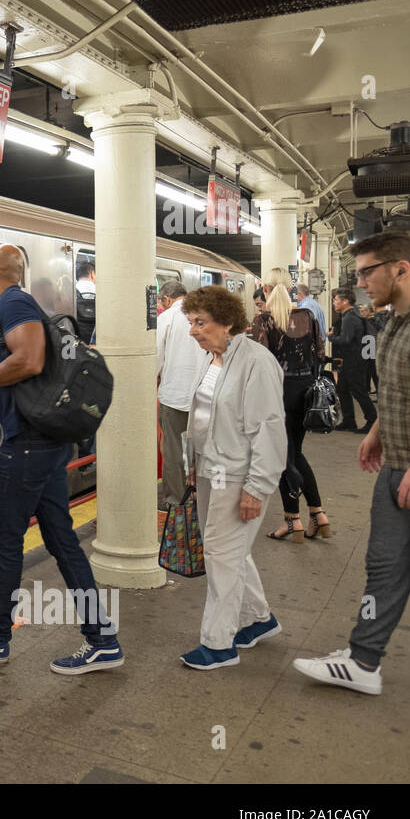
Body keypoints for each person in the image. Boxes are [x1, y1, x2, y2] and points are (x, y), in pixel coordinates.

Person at [0, 245, 123, 674]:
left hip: (28, 447)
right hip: (41, 441)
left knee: (6, 540)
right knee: (62, 540)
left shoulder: (12, 303)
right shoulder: (14, 305)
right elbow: (35, 382)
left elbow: (29, 360)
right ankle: (102, 638)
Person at [293, 230, 410, 696]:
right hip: (395, 469)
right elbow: (402, 390)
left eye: (368, 271)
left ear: (400, 269)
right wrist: (376, 432)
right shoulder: (395, 321)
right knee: (383, 567)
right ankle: (364, 661)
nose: (361, 282)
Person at [179, 286, 286, 670]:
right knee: (229, 550)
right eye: (191, 322)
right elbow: (204, 417)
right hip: (210, 470)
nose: (193, 330)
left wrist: (257, 487)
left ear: (227, 322)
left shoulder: (256, 362)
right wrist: (191, 462)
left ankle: (219, 644)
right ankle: (259, 619)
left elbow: (269, 427)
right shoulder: (214, 360)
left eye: (200, 322)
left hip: (237, 475)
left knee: (222, 555)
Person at [250, 277, 331, 541]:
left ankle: (292, 520)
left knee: (283, 456)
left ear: (266, 292)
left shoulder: (264, 321)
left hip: (279, 391)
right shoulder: (308, 315)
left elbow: (261, 359)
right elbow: (320, 352)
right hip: (306, 392)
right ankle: (317, 514)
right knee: (293, 453)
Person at [156, 280, 209, 509]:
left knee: (175, 451)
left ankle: (177, 501)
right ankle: (203, 497)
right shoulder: (206, 314)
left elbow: (155, 359)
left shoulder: (166, 318)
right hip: (205, 395)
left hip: (174, 395)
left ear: (166, 299)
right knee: (203, 450)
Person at [328, 288, 377, 433]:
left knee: (358, 391)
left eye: (336, 300)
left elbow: (345, 340)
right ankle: (349, 421)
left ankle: (372, 421)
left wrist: (331, 337)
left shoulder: (349, 317)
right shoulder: (352, 314)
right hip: (354, 359)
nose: (333, 302)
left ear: (345, 301)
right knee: (342, 389)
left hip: (354, 360)